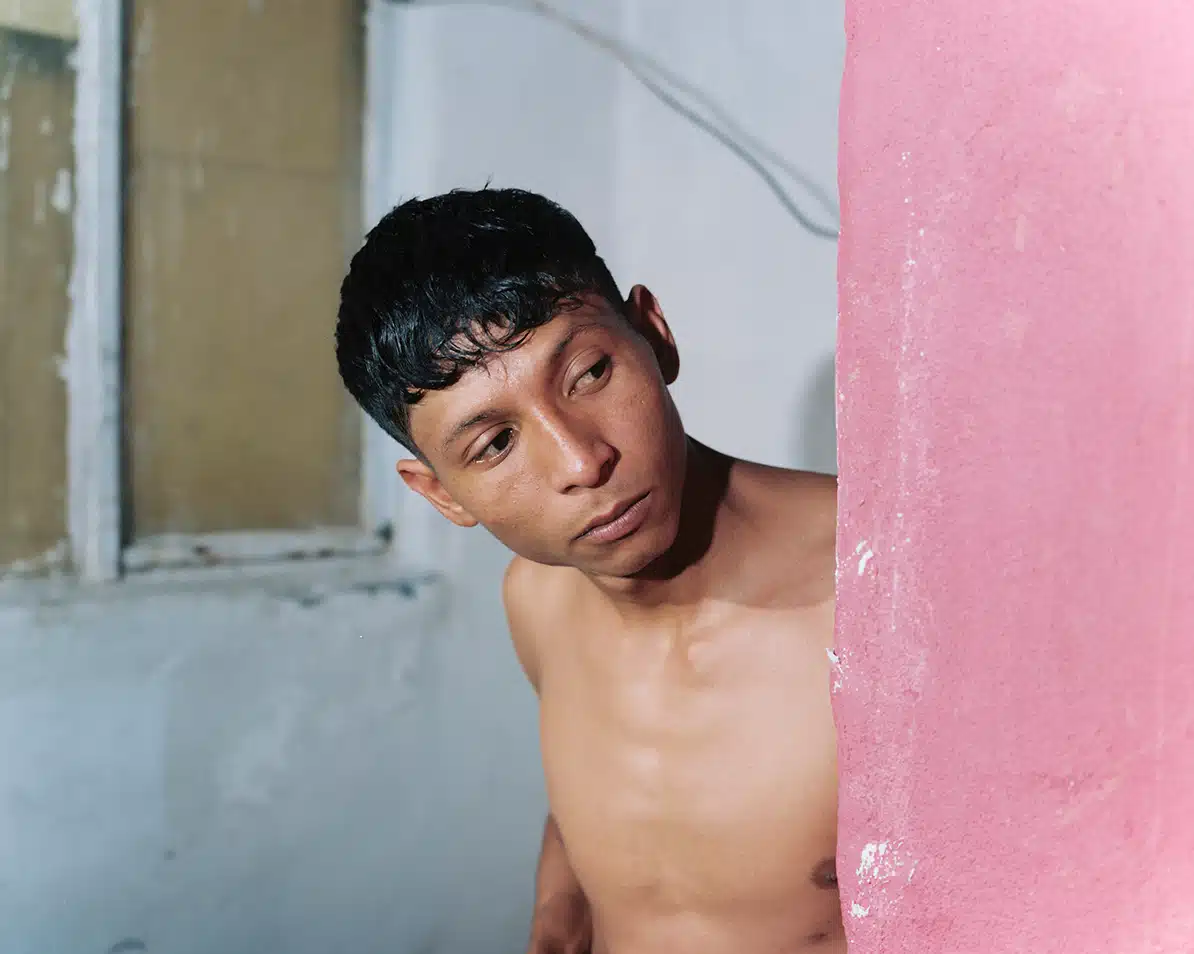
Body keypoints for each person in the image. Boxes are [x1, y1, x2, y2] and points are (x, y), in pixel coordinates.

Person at [336, 188, 843, 953]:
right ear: (441, 493)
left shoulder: (879, 584)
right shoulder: (536, 599)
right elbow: (591, 809)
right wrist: (557, 913)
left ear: (654, 335)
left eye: (589, 373)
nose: (582, 462)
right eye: (495, 444)